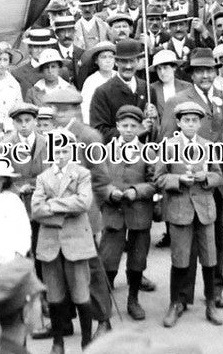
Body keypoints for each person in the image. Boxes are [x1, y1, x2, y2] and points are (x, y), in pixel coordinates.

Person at [156, 101, 223, 328]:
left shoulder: (208, 145)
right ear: (178, 122)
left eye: (195, 120)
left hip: (204, 210)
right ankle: (176, 302)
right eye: (186, 120)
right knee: (180, 258)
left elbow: (218, 176)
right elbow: (158, 178)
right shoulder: (168, 146)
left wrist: (206, 177)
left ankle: (211, 304)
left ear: (200, 123)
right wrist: (177, 180)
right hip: (179, 210)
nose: (191, 124)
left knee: (209, 257)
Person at [30, 130, 97, 350]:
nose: (60, 155)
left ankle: (86, 341)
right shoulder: (43, 177)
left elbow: (84, 203)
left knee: (81, 293)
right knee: (55, 295)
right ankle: (58, 342)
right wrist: (67, 205)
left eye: (65, 150)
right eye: (56, 150)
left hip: (76, 241)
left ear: (73, 151)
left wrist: (53, 205)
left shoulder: (82, 174)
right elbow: (36, 210)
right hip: (50, 244)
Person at [95, 105, 154, 321]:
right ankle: (105, 299)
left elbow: (154, 181)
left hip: (139, 212)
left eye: (134, 126)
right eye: (124, 125)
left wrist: (135, 191)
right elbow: (99, 181)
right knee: (109, 257)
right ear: (117, 126)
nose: (129, 130)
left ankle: (133, 299)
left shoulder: (148, 151)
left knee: (138, 259)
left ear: (140, 127)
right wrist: (111, 193)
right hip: (113, 212)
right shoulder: (104, 151)